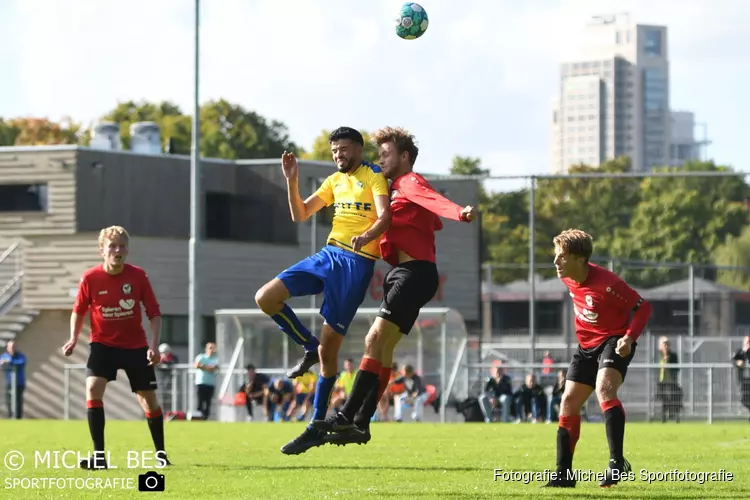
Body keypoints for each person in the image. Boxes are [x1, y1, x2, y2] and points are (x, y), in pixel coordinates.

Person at [312, 126, 475, 445]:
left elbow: (434, 201)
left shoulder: (409, 182)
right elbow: (421, 216)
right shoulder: (391, 188)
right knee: (383, 348)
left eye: (386, 154)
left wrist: (460, 212)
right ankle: (361, 423)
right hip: (408, 273)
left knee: (374, 339)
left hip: (413, 273)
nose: (381, 159)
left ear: (404, 157)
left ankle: (346, 415)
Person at [254, 126, 391, 454]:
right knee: (266, 297)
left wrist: (368, 235)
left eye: (343, 149)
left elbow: (385, 217)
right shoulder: (334, 181)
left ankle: (316, 423)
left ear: (358, 148)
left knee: (330, 354)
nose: (338, 155)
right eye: (334, 151)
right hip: (329, 255)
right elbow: (299, 214)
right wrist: (292, 179)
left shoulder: (373, 176)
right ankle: (307, 344)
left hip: (356, 264)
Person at [543, 229, 651, 488]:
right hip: (586, 346)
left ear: (580, 259)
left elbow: (643, 307)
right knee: (568, 401)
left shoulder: (608, 283)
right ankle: (563, 474)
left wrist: (629, 338)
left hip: (614, 340)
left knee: (604, 388)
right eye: (556, 256)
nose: (556, 262)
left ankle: (617, 463)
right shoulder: (568, 277)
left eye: (562, 257)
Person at [62, 226, 169, 469]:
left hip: (135, 346)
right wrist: (73, 338)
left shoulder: (138, 276)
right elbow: (78, 311)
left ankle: (161, 454)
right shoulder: (90, 278)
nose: (117, 251)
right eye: (112, 246)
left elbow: (154, 313)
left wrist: (154, 346)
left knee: (149, 401)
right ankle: (99, 458)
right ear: (102, 251)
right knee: (92, 388)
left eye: (122, 246)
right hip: (103, 345)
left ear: (127, 249)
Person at [0, 341, 27, 418]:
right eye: (10, 347)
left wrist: (9, 362)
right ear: (7, 348)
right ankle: (10, 416)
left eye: (13, 347)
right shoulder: (4, 356)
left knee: (18, 400)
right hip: (9, 382)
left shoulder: (20, 356)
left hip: (19, 383)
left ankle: (18, 417)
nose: (12, 349)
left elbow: (21, 363)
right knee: (9, 400)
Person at [193, 342, 219, 420]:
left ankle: (205, 418)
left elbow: (214, 368)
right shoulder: (201, 357)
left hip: (210, 383)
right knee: (200, 401)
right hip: (201, 382)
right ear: (206, 349)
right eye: (210, 348)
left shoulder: (216, 359)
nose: (212, 350)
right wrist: (209, 368)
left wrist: (203, 366)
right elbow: (196, 365)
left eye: (213, 348)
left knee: (208, 402)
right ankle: (198, 417)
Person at [732, 335, 750, 420]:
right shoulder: (740, 352)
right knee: (744, 399)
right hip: (744, 379)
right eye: (747, 342)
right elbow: (734, 360)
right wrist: (737, 363)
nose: (748, 343)